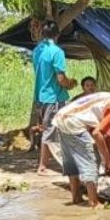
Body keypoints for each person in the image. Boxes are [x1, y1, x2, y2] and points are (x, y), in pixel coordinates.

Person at [32, 20, 78, 175]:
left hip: (41, 95)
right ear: (58, 34)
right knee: (51, 131)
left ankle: (62, 160)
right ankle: (43, 166)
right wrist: (70, 84)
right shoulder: (57, 52)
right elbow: (60, 79)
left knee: (52, 129)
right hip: (55, 97)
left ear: (42, 33)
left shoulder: (37, 50)